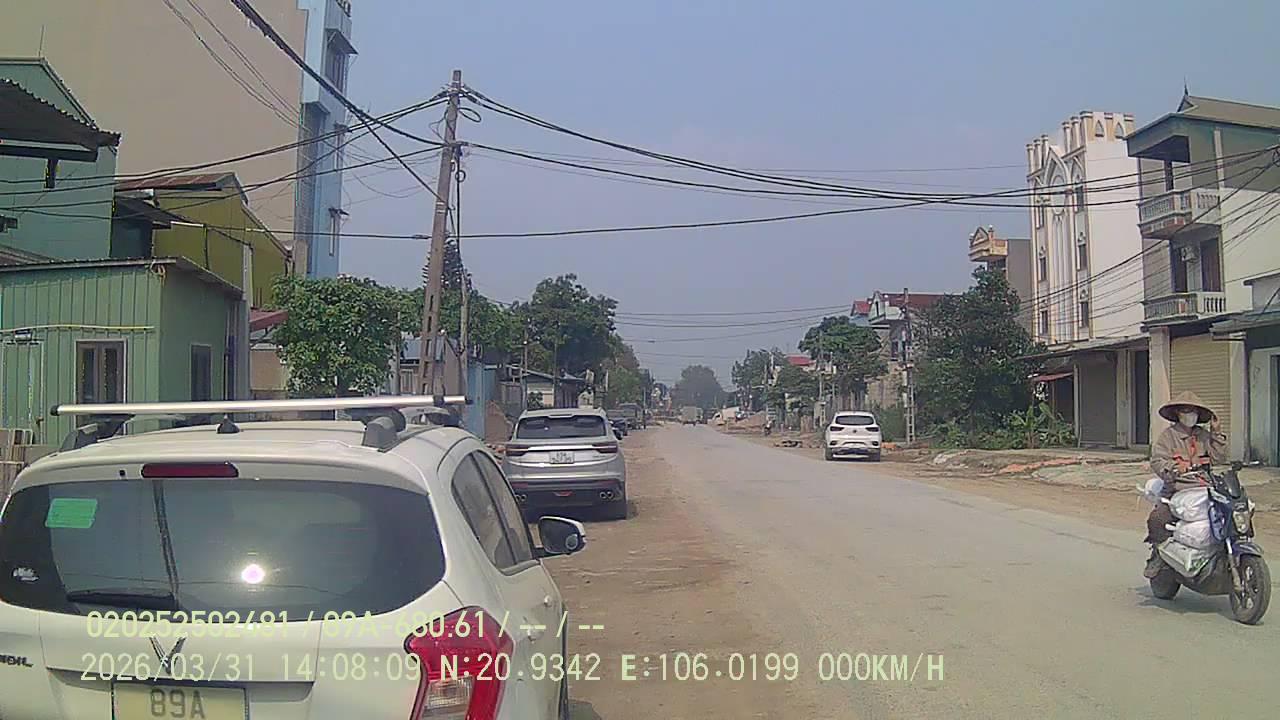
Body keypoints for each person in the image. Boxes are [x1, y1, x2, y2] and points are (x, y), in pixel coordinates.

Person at [1144, 391, 1228, 578]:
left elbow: (1219, 458)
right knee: (1158, 519)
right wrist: (1174, 469)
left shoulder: (1203, 435)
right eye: (1186, 410)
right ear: (1178, 413)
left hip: (1206, 486)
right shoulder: (1168, 436)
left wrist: (1216, 432)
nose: (1191, 415)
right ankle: (1157, 555)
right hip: (1177, 488)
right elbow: (1157, 461)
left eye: (1194, 411)